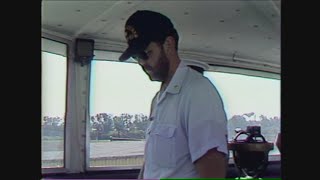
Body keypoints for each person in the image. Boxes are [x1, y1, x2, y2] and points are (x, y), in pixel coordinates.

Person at [119, 10, 229, 179]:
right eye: (136, 57)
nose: (142, 63)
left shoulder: (197, 92)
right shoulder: (158, 99)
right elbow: (152, 165)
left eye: (145, 53)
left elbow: (212, 169)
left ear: (168, 44)